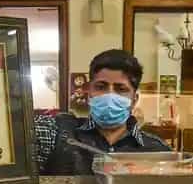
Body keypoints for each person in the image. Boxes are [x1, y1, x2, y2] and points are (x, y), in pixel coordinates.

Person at [35, 49, 170, 175]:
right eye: (101, 87)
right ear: (89, 94)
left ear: (134, 100)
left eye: (121, 89)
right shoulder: (56, 131)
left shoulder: (158, 150)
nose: (109, 95)